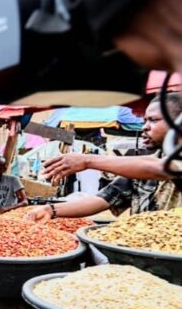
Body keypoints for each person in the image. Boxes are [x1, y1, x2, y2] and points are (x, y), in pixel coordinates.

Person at [27, 95, 178, 222]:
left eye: (153, 120)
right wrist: (51, 210)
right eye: (144, 120)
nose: (144, 127)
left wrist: (87, 160)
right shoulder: (139, 169)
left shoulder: (156, 165)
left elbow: (162, 168)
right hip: (144, 253)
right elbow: (103, 199)